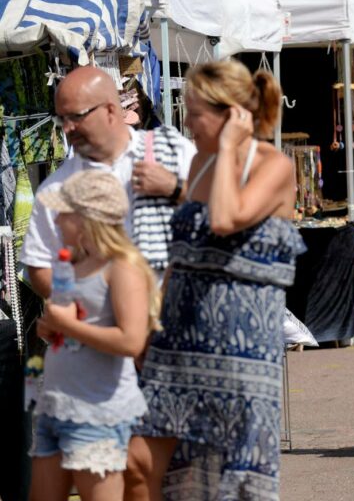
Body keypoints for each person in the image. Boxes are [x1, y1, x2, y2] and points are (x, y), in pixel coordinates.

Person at [124, 60, 304, 500]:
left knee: (234, 479)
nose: (185, 120)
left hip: (239, 350)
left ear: (231, 115)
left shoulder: (273, 165)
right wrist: (152, 324)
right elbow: (182, 253)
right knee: (139, 461)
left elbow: (225, 219)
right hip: (179, 340)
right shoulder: (201, 163)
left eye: (195, 111)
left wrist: (228, 149)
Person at [29, 170, 159, 501]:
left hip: (96, 413)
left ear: (89, 217)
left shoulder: (121, 268)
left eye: (65, 212)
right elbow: (79, 331)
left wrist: (68, 326)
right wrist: (53, 329)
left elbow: (131, 342)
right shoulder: (73, 265)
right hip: (57, 404)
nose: (56, 220)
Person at [21, 65, 195, 295]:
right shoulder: (57, 188)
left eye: (76, 116)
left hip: (179, 314)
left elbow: (223, 212)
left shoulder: (171, 150)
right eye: (61, 118)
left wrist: (175, 188)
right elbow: (39, 266)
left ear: (111, 111)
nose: (68, 128)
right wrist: (84, 296)